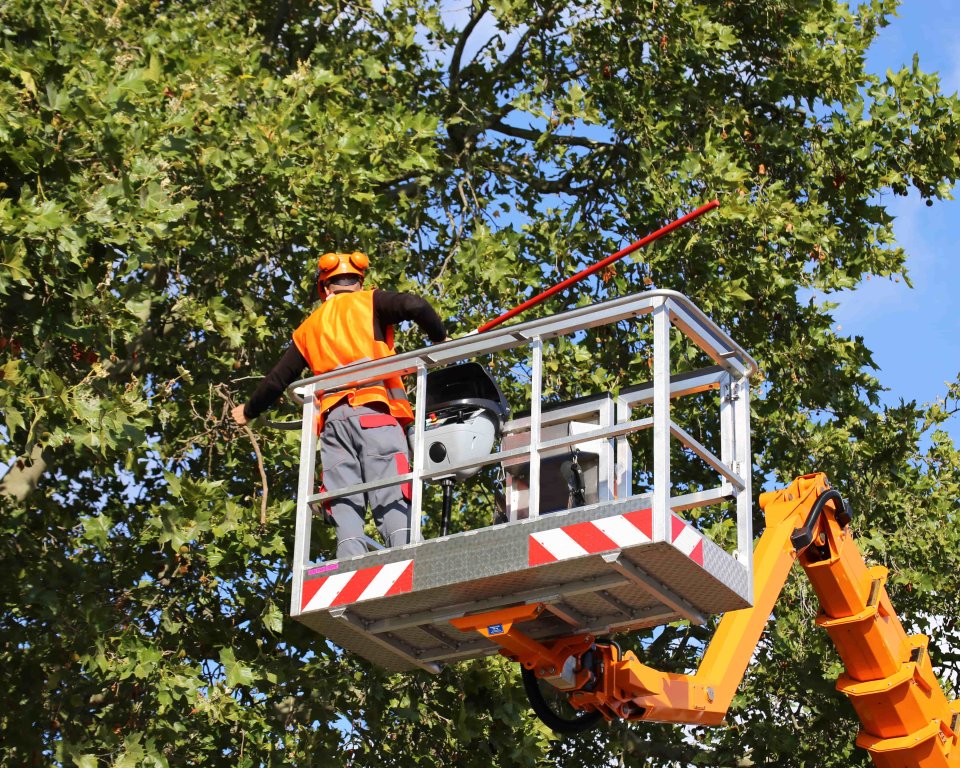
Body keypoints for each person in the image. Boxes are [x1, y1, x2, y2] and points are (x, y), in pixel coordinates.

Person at [232, 251, 448, 559]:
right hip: (375, 414)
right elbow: (416, 305)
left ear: (324, 289)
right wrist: (440, 337)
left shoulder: (309, 327)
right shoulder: (369, 302)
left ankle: (350, 561)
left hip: (334, 426)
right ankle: (406, 555)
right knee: (390, 488)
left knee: (343, 496)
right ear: (360, 283)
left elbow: (276, 380)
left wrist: (248, 411)